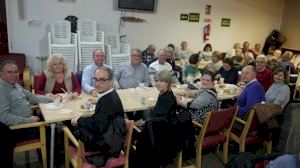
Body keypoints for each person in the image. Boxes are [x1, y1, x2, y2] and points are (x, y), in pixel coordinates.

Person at [71, 67, 126, 167]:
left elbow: (96, 126)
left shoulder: (108, 101)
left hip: (106, 143)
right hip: (112, 135)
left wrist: (78, 119)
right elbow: (101, 119)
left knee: (70, 129)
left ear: (111, 81)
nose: (97, 83)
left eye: (101, 80)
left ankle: (77, 160)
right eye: (95, 79)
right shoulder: (110, 95)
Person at [135, 70, 178, 168]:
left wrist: (146, 121)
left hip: (162, 132)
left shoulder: (167, 98)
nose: (158, 83)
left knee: (137, 133)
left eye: (161, 81)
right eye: (157, 81)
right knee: (141, 116)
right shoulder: (165, 93)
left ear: (167, 83)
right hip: (161, 127)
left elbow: (164, 118)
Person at [0, 60, 53, 126]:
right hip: (23, 126)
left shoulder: (15, 84)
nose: (14, 75)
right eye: (9, 72)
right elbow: (4, 117)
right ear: (1, 74)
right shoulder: (2, 90)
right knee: (55, 126)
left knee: (56, 119)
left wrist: (50, 98)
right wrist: (28, 121)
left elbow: (30, 97)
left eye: (16, 72)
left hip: (31, 117)